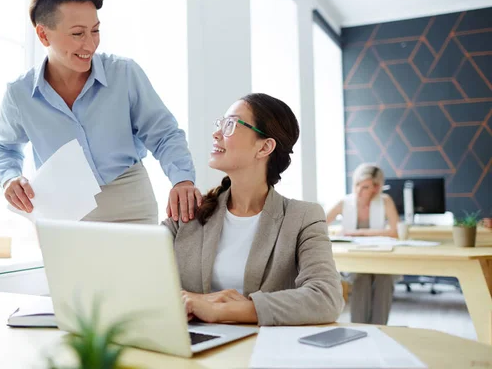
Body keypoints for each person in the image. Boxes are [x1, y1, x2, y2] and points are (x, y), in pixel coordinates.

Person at [0, 0, 201, 225]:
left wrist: (183, 179)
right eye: (78, 33)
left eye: (95, 30)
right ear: (43, 35)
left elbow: (164, 133)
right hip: (63, 213)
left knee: (142, 265)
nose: (90, 44)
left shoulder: (124, 74)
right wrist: (9, 177)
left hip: (131, 203)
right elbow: (2, 148)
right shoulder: (19, 94)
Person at [162, 93, 344, 326]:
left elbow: (325, 298)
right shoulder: (188, 212)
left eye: (231, 125)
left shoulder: (303, 217)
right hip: (192, 346)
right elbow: (135, 282)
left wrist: (222, 311)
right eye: (220, 124)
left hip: (264, 352)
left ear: (265, 147)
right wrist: (201, 300)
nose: (216, 134)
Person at [326, 163, 400, 324]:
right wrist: (336, 234)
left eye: (365, 187)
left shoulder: (385, 201)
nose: (359, 190)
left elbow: (394, 232)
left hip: (381, 257)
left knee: (385, 280)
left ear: (376, 187)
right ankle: (360, 327)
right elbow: (319, 224)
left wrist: (358, 233)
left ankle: (380, 328)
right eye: (357, 185)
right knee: (362, 278)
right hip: (356, 259)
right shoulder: (344, 202)